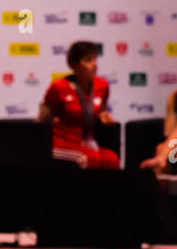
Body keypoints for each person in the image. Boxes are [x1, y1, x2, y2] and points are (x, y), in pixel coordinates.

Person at [39, 41, 119, 169]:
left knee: (112, 159)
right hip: (61, 142)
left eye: (95, 59)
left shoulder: (102, 86)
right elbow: (43, 119)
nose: (94, 65)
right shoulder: (59, 87)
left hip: (86, 142)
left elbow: (101, 109)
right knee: (87, 159)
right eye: (88, 60)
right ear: (74, 65)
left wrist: (105, 115)